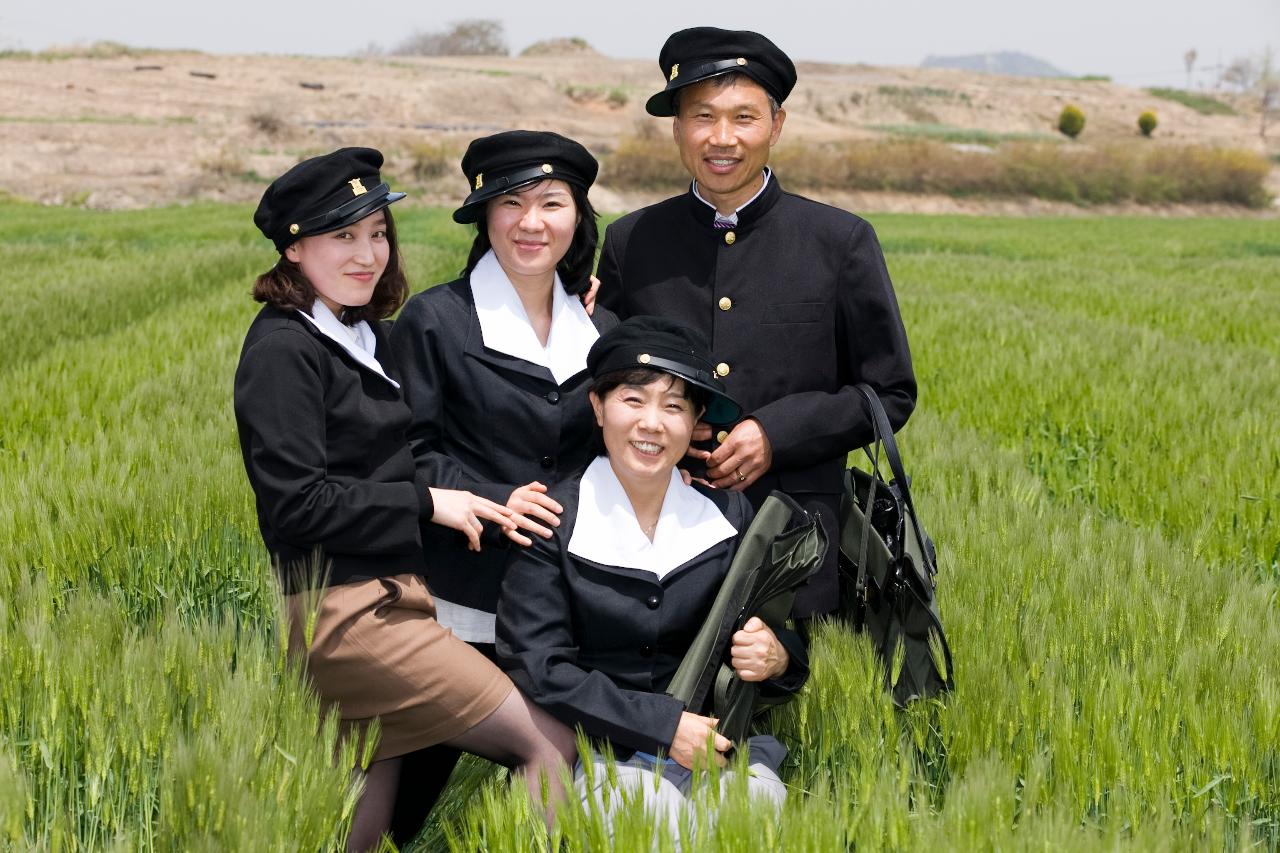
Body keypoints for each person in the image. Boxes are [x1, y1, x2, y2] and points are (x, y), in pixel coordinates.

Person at [233, 148, 575, 852]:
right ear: (294, 247)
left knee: (365, 823)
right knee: (549, 743)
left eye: (378, 233)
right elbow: (294, 504)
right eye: (342, 237)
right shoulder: (282, 351)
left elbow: (458, 399)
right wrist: (427, 502)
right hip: (348, 614)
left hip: (391, 598)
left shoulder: (361, 336)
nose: (368, 255)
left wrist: (570, 307)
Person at [596, 28, 917, 619]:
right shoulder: (631, 242)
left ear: (777, 124)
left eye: (744, 117)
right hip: (654, 534)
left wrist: (777, 432)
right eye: (703, 117)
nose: (722, 139)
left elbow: (889, 393)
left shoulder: (839, 241)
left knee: (789, 701)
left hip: (796, 536)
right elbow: (605, 381)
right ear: (677, 128)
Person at [497, 316, 809, 833]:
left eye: (674, 406)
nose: (652, 423)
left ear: (695, 423)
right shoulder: (552, 519)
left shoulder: (730, 517)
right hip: (604, 754)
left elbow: (780, 632)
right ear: (598, 407)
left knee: (754, 813)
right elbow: (539, 665)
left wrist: (777, 657)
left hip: (720, 752)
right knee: (650, 813)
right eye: (633, 400)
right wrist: (664, 728)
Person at [389, 130, 618, 655]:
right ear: (485, 215)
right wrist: (494, 501)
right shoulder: (435, 320)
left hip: (576, 585)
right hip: (466, 587)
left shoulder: (604, 330)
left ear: (578, 216)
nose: (531, 223)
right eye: (511, 202)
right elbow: (407, 449)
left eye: (552, 203)